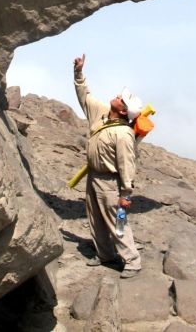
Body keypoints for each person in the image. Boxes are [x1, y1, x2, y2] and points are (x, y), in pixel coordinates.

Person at [73, 53, 143, 279]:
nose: (116, 96)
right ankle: (105, 255)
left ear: (124, 111)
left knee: (117, 221)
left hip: (111, 182)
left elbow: (127, 165)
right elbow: (85, 97)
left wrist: (126, 193)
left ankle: (132, 260)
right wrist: (79, 73)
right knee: (95, 218)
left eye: (121, 99)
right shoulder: (101, 114)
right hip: (94, 176)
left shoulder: (123, 134)